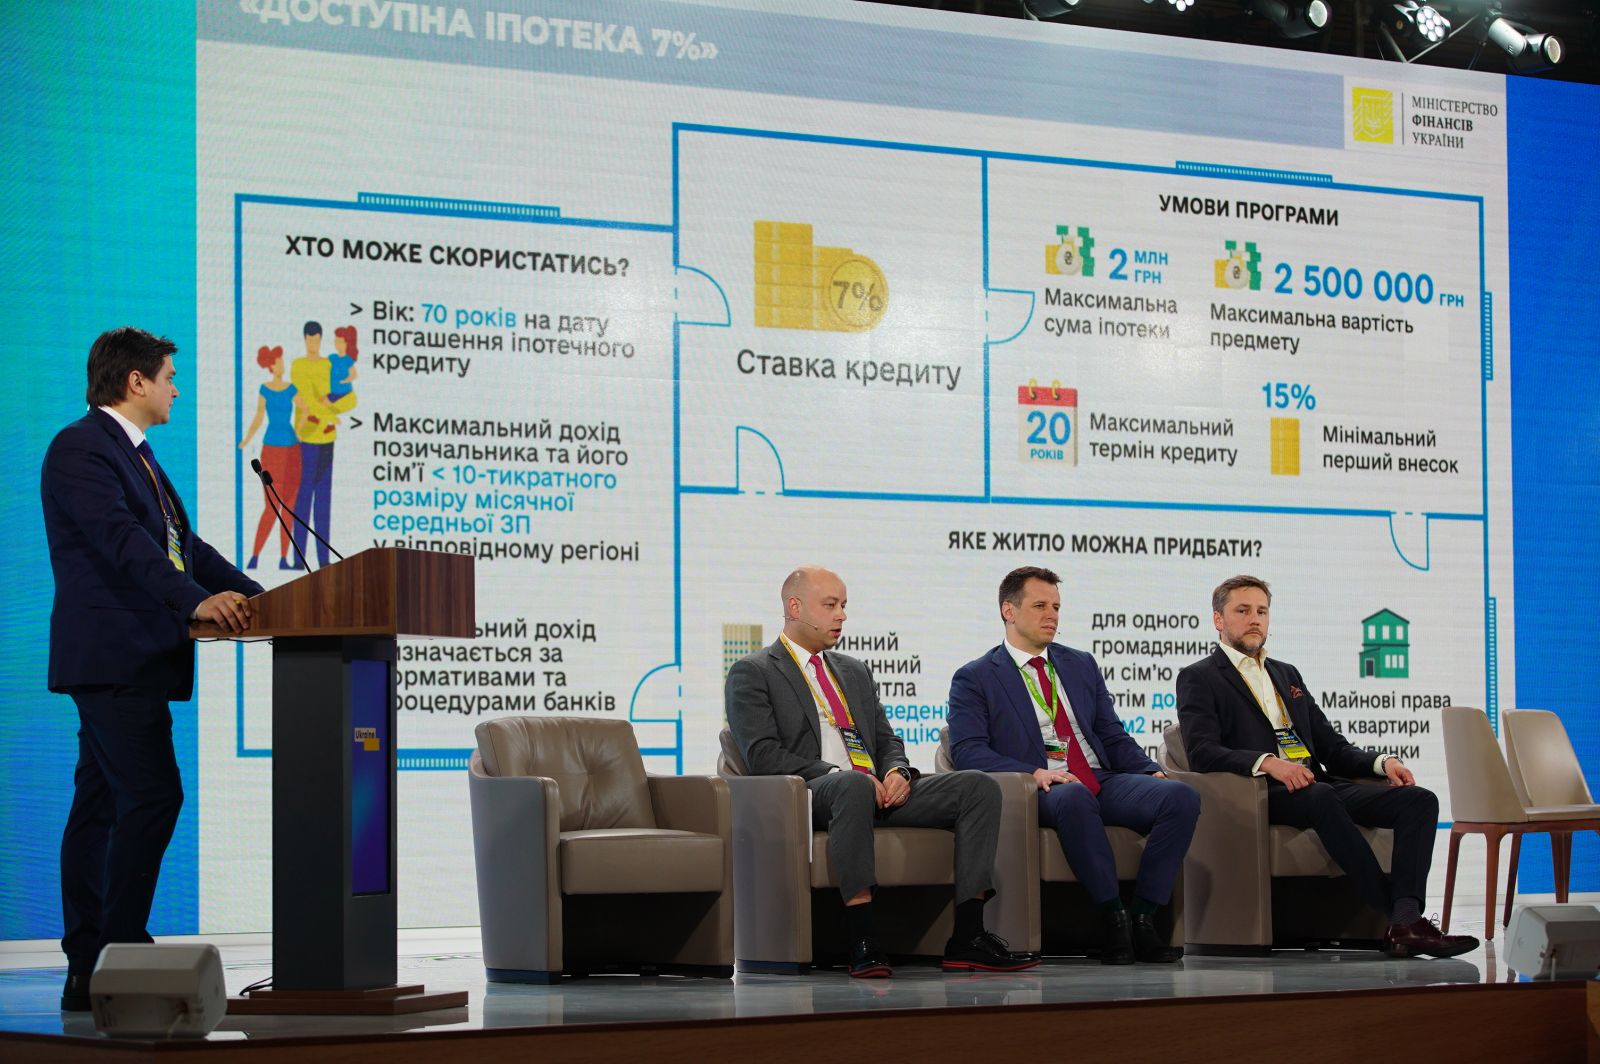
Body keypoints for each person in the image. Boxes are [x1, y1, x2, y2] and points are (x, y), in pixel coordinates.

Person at [42, 327, 262, 1011]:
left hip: (133, 657)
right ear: (135, 381)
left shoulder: (137, 456)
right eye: (169, 376)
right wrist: (196, 601)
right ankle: (117, 948)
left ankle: (91, 966)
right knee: (151, 795)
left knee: (102, 803)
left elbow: (184, 546)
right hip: (111, 654)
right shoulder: (82, 447)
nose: (176, 389)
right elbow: (123, 542)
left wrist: (264, 600)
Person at [725, 566, 1037, 977]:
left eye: (843, 605)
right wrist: (835, 772)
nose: (842, 615)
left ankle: (968, 935)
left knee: (978, 788)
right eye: (830, 605)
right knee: (852, 785)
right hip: (811, 792)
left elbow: (887, 739)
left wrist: (897, 773)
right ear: (795, 607)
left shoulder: (853, 670)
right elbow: (763, 755)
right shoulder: (754, 671)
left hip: (874, 789)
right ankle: (863, 938)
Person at [1176, 574, 1478, 958]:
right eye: (1243, 610)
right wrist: (1269, 764)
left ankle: (1405, 917)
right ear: (1218, 619)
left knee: (1418, 801)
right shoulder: (1199, 677)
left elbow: (1331, 746)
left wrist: (1381, 762)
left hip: (1316, 785)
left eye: (1262, 611)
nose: (1255, 619)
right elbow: (1202, 751)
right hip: (1260, 793)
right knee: (1320, 796)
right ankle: (1400, 919)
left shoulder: (1286, 674)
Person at [949, 566, 1199, 964]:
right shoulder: (976, 677)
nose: (1051, 615)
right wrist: (1033, 773)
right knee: (1075, 797)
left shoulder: (1080, 664)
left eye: (1056, 607)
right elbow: (968, 751)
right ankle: (1113, 921)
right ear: (1008, 611)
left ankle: (1143, 918)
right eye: (1040, 606)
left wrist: (1148, 770)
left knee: (1179, 797)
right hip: (1041, 785)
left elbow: (1111, 734)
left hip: (1099, 776)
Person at [289, 321, 356, 568]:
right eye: (310, 340)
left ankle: (324, 560)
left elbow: (350, 398)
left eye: (316, 340)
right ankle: (299, 560)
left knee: (323, 501)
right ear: (305, 339)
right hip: (307, 440)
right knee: (304, 498)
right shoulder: (298, 366)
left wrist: (331, 408)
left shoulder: (330, 365)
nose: (313, 344)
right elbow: (306, 399)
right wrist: (328, 412)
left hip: (328, 439)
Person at [237, 344, 300, 569]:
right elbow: (258, 416)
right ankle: (255, 556)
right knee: (272, 504)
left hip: (292, 449)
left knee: (289, 506)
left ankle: (284, 559)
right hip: (272, 448)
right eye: (280, 361)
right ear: (273, 365)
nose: (283, 364)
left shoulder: (292, 389)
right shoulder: (265, 389)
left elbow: (304, 410)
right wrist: (246, 440)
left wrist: (300, 430)